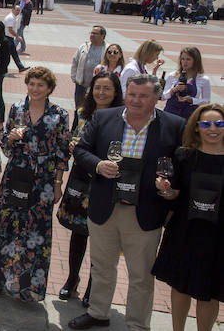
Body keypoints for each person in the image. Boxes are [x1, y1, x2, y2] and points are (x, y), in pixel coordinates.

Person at [67, 74, 184, 330]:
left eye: (143, 96)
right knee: (101, 267)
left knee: (141, 276)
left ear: (157, 97)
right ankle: (98, 312)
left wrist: (170, 190)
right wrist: (98, 165)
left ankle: (137, 325)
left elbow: (181, 168)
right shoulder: (105, 117)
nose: (136, 100)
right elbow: (81, 150)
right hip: (104, 208)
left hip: (144, 212)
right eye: (132, 94)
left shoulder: (175, 126)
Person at [0, 67, 69, 302]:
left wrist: (58, 183)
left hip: (44, 180)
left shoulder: (60, 114)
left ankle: (27, 286)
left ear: (49, 88)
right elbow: (7, 149)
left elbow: (62, 152)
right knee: (6, 226)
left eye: (41, 85)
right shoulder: (16, 108)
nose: (35, 89)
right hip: (16, 174)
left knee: (35, 233)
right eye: (32, 84)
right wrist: (9, 139)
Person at [152, 103, 224, 331]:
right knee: (180, 286)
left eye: (219, 123)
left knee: (209, 294)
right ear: (196, 128)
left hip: (218, 236)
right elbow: (177, 193)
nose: (213, 129)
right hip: (185, 230)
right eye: (206, 124)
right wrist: (166, 190)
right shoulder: (184, 155)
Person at [56, 71, 123, 307]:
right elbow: (72, 141)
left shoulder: (122, 117)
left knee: (101, 239)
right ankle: (72, 279)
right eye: (97, 88)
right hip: (81, 180)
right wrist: (73, 143)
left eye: (107, 88)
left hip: (105, 183)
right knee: (78, 232)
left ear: (115, 92)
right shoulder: (83, 113)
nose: (101, 93)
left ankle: (93, 287)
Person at [162, 47, 210, 120]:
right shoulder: (173, 76)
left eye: (188, 59)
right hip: (170, 114)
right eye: (182, 59)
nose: (184, 62)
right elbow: (163, 96)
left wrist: (192, 100)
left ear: (195, 61)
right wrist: (174, 90)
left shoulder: (203, 79)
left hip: (189, 116)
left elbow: (206, 101)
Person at [70, 26, 107, 109]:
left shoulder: (107, 49)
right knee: (79, 108)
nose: (92, 35)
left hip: (97, 86)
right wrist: (74, 77)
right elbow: (75, 61)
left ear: (103, 36)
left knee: (93, 108)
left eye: (95, 33)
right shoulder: (84, 47)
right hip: (81, 84)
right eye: (91, 33)